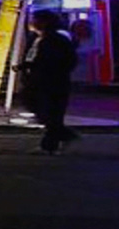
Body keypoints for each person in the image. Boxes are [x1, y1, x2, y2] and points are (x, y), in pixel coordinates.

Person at [19, 9, 80, 154]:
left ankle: (54, 142)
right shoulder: (37, 38)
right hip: (37, 81)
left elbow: (67, 60)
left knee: (50, 113)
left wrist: (50, 72)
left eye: (35, 19)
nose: (31, 22)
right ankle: (59, 138)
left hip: (51, 82)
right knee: (44, 111)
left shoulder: (56, 39)